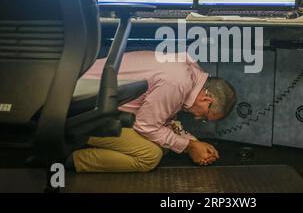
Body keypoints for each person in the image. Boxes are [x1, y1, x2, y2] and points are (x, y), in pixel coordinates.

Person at [70, 51, 237, 173]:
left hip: (87, 98)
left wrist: (194, 142)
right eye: (205, 116)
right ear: (207, 100)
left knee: (163, 145)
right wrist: (190, 147)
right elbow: (146, 126)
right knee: (150, 155)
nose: (197, 117)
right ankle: (69, 160)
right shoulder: (177, 83)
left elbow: (163, 118)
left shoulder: (191, 73)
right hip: (82, 109)